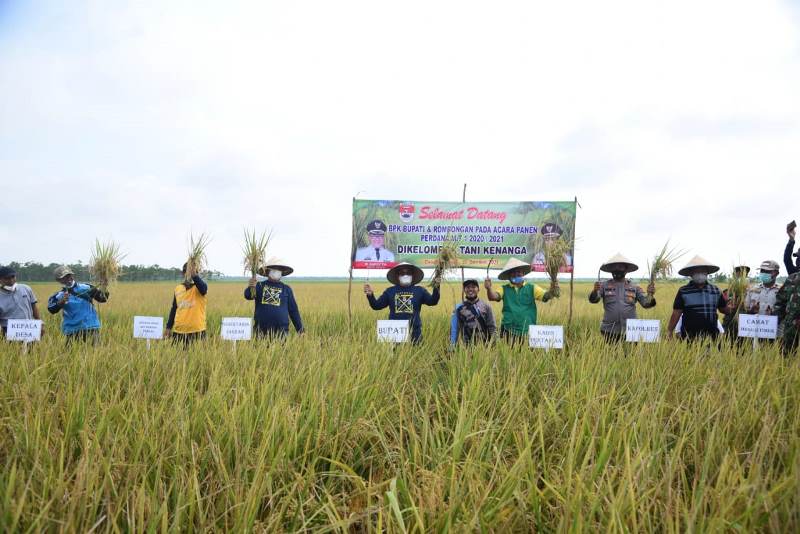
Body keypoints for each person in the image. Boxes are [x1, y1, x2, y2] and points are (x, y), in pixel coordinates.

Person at [485, 257, 557, 343]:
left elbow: (546, 296)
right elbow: (493, 297)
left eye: (518, 272)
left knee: (526, 355)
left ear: (523, 273)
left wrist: (554, 288)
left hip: (527, 330)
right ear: (508, 276)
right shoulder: (504, 289)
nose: (516, 274)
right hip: (508, 330)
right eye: (513, 273)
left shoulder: (532, 288)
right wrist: (489, 288)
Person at [364, 262, 439, 344]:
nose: (405, 275)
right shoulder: (390, 291)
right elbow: (376, 306)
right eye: (402, 273)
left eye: (408, 273)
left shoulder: (420, 290)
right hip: (396, 333)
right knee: (396, 356)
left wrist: (436, 287)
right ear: (397, 276)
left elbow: (433, 301)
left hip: (414, 333)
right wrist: (370, 295)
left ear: (412, 275)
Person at [588, 253, 656, 342]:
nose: (617, 269)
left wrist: (650, 294)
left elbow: (646, 304)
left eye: (620, 267)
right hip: (609, 330)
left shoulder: (635, 287)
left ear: (626, 269)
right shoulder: (604, 285)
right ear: (611, 270)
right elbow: (594, 300)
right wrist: (594, 291)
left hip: (631, 330)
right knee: (610, 355)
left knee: (631, 355)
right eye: (614, 267)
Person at [667, 256, 730, 340]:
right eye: (696, 271)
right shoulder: (683, 291)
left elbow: (723, 309)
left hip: (712, 337)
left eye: (702, 271)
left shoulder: (716, 290)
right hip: (688, 338)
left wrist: (735, 306)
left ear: (707, 273)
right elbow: (676, 313)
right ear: (691, 274)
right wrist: (669, 331)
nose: (700, 274)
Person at [46, 265, 108, 344]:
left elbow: (102, 299)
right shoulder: (59, 295)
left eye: (69, 275)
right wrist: (61, 302)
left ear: (72, 275)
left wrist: (104, 287)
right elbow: (51, 309)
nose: (68, 278)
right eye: (64, 277)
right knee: (72, 355)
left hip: (91, 327)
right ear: (59, 280)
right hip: (72, 330)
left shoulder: (86, 287)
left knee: (95, 354)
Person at [245, 259, 304, 338]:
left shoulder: (286, 289)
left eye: (279, 269)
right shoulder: (259, 286)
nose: (276, 271)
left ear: (282, 272)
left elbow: (293, 311)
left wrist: (300, 330)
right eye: (274, 268)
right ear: (268, 271)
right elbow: (248, 296)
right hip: (261, 332)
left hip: (282, 333)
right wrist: (251, 286)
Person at [165, 263, 208, 346]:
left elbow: (203, 289)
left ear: (196, 273)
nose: (189, 274)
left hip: (197, 331)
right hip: (179, 331)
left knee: (198, 357)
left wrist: (194, 275)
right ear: (183, 273)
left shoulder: (200, 288)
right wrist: (168, 327)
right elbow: (174, 309)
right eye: (187, 272)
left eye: (191, 272)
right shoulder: (178, 288)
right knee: (178, 357)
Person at [449, 279, 496, 347]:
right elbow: (454, 329)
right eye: (467, 287)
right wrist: (452, 347)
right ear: (464, 290)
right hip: (466, 347)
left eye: (473, 287)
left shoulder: (486, 306)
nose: (470, 289)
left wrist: (495, 345)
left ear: (478, 289)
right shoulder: (458, 308)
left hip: (485, 346)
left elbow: (492, 327)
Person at [0, 266, 42, 338]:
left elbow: (34, 307)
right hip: (8, 331)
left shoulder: (26, 288)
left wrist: (40, 323)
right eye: (7, 278)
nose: (11, 280)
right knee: (11, 349)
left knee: (32, 349)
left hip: (29, 328)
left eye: (13, 277)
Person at [721, 265, 750, 339]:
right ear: (734, 275)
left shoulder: (751, 293)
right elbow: (722, 308)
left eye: (744, 274)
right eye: (739, 273)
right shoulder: (727, 292)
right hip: (729, 323)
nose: (741, 277)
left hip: (745, 325)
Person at [775, 270, 800, 356]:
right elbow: (780, 300)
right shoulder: (792, 278)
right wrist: (777, 319)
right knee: (786, 358)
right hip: (790, 329)